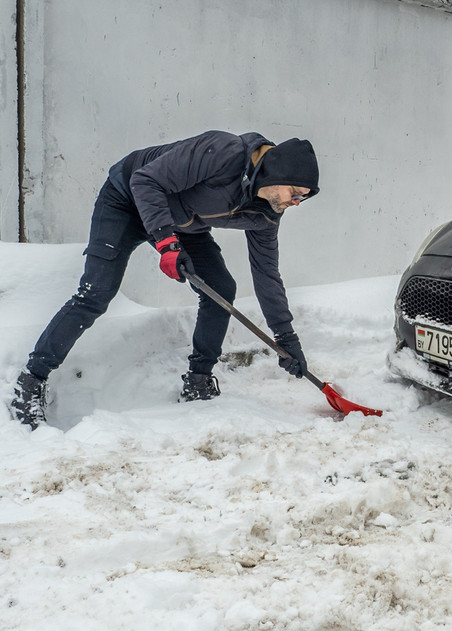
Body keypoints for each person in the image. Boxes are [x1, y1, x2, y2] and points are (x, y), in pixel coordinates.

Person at [8, 131, 320, 428]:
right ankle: (30, 382)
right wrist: (167, 243)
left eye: (302, 199)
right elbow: (145, 180)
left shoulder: (266, 214)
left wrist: (287, 340)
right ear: (279, 173)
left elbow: (266, 274)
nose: (296, 203)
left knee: (221, 289)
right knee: (96, 293)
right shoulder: (223, 152)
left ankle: (198, 381)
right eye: (296, 193)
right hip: (127, 200)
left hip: (181, 223)